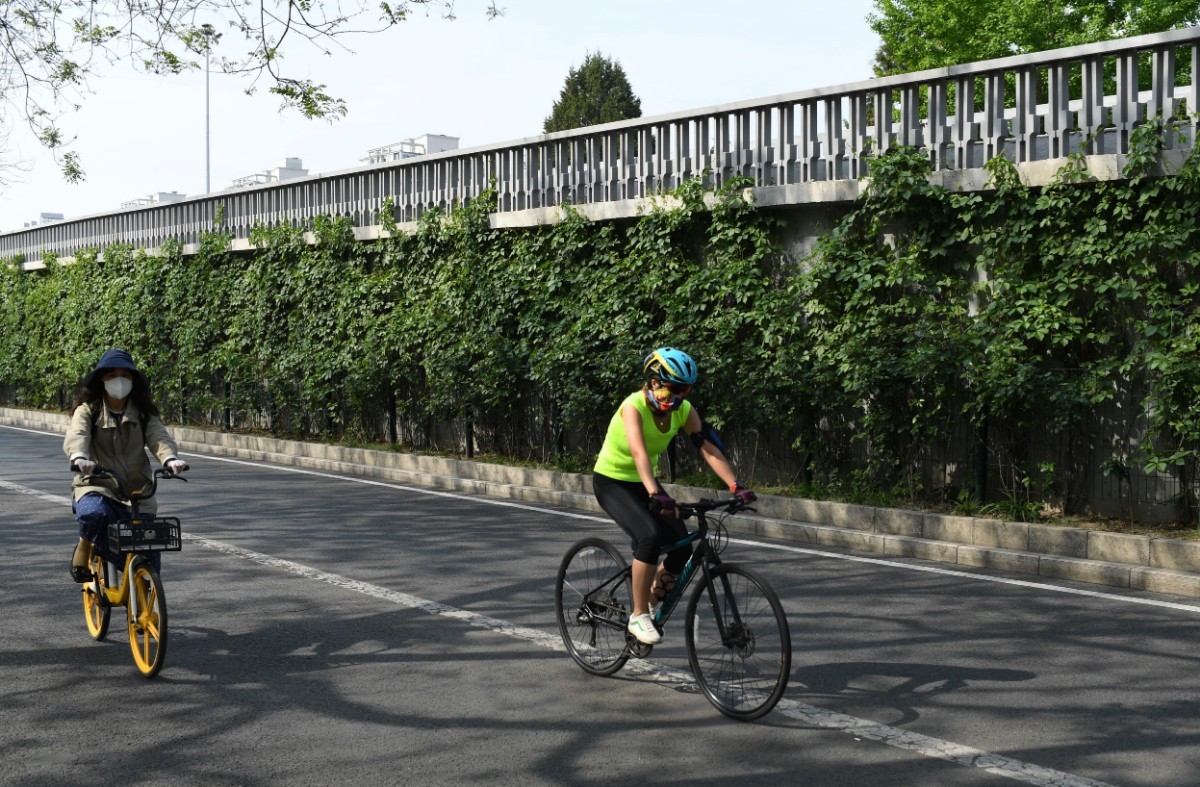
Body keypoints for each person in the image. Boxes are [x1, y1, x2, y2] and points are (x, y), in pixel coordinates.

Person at [592, 347, 756, 645]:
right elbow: (639, 453)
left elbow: (708, 448)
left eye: (685, 390)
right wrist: (656, 493)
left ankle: (648, 604)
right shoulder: (633, 407)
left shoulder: (683, 410)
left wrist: (736, 486)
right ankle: (638, 616)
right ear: (654, 382)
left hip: (645, 483)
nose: (680, 396)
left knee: (681, 550)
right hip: (612, 482)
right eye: (676, 388)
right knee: (649, 537)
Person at [63, 349, 188, 581]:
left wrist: (170, 459)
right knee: (94, 514)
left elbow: (159, 437)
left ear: (133, 380)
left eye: (125, 375)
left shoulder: (143, 413)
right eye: (112, 375)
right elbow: (77, 434)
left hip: (138, 490)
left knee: (149, 547)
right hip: (97, 484)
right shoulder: (88, 410)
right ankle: (85, 546)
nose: (119, 381)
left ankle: (145, 596)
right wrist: (79, 457)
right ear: (102, 379)